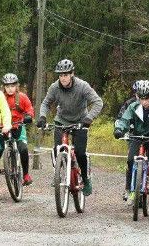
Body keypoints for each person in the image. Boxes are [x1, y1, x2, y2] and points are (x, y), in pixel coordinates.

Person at [37, 59, 103, 196]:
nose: (63, 78)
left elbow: (98, 102)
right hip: (61, 121)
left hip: (80, 121)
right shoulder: (54, 87)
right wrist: (42, 117)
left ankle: (85, 179)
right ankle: (59, 174)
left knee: (80, 153)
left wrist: (89, 118)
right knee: (57, 149)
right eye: (60, 75)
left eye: (66, 75)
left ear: (72, 74)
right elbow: (45, 103)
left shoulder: (82, 86)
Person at [0, 73, 35, 186]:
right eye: (7, 86)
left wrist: (28, 116)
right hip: (2, 127)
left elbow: (30, 110)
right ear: (3, 87)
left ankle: (26, 175)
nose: (10, 89)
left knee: (23, 149)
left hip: (18, 126)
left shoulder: (22, 97)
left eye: (12, 86)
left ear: (16, 86)